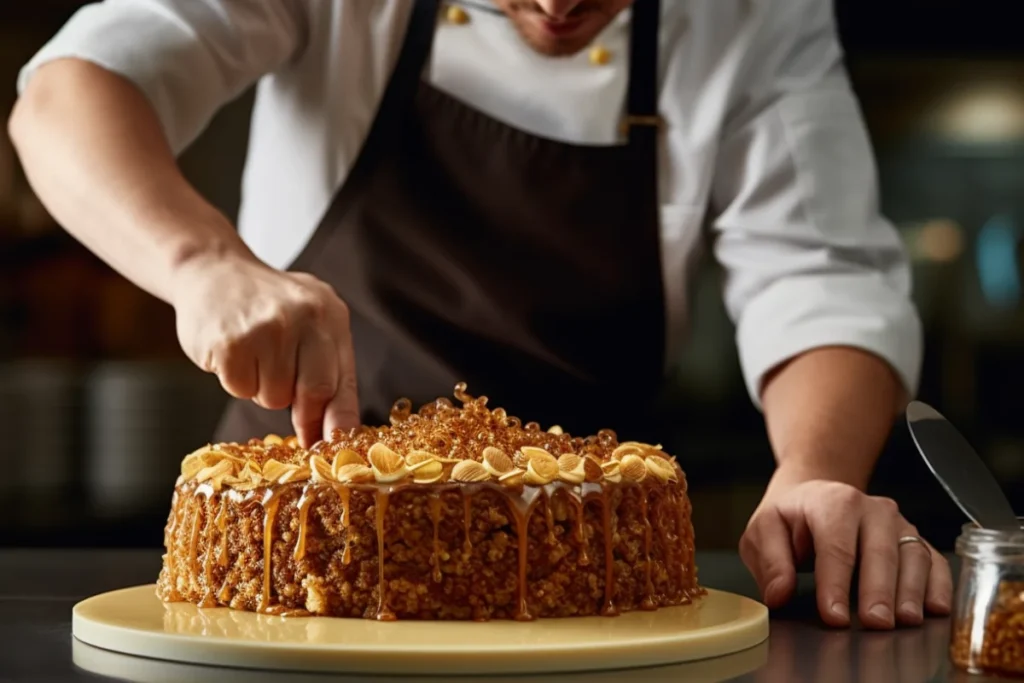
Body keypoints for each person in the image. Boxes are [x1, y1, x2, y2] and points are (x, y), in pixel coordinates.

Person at [9, 0, 951, 629]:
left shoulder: (754, 14)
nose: (556, 5)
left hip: (591, 596)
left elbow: (817, 268)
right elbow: (70, 90)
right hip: (293, 572)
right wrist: (203, 262)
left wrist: (814, 473)